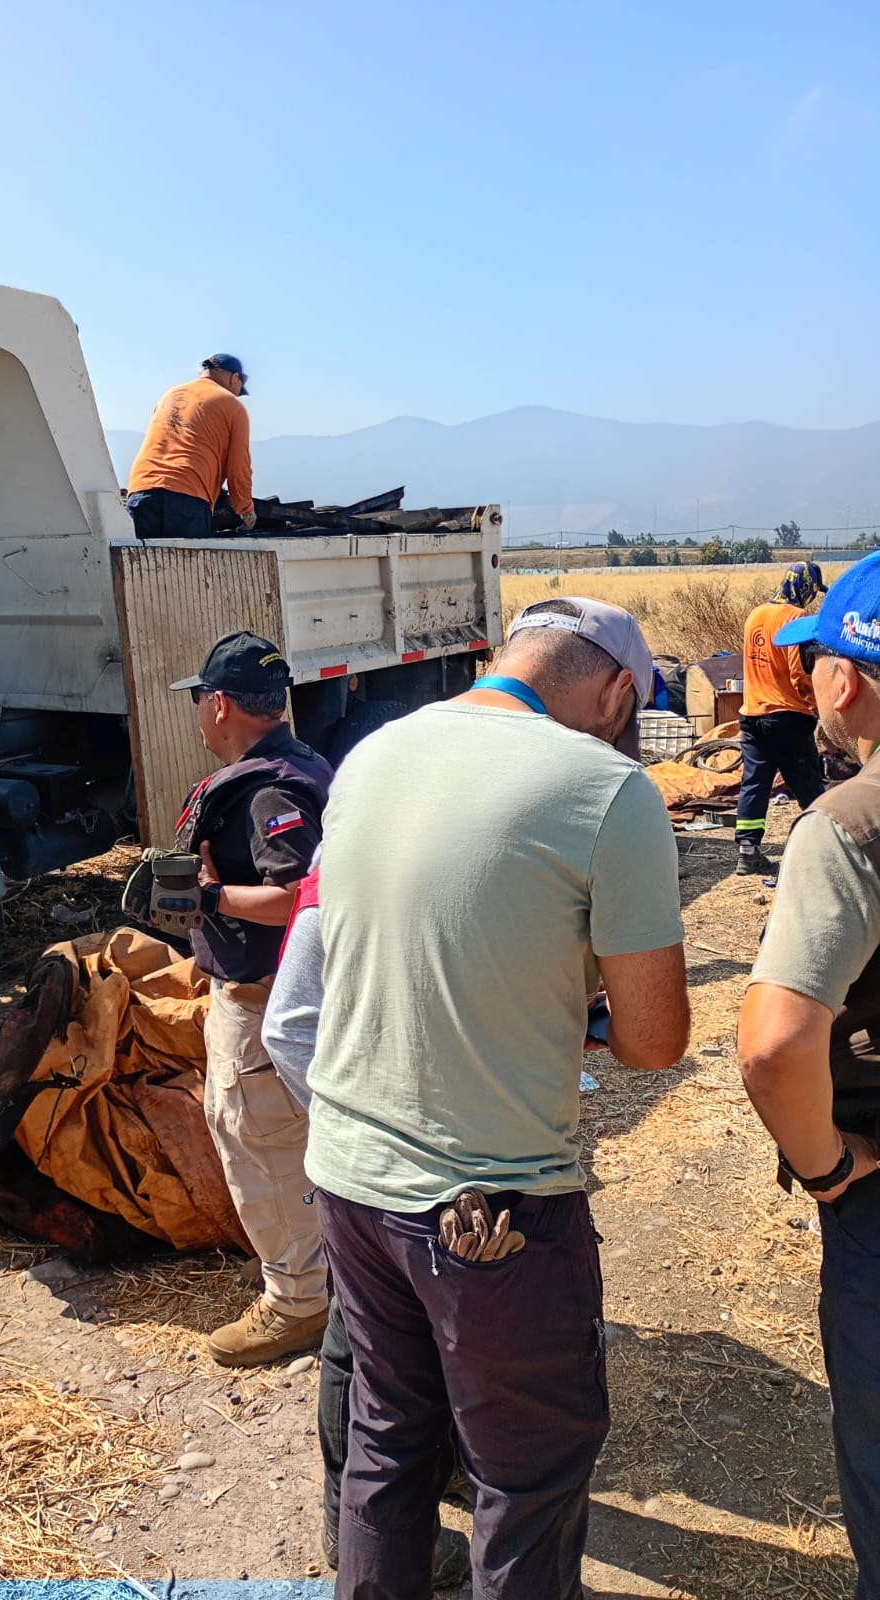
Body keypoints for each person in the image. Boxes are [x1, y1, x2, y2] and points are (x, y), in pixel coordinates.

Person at [305, 597, 690, 1600]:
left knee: (386, 1444)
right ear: (612, 690)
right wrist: (585, 999)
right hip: (490, 1205)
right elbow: (654, 1041)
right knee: (526, 1478)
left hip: (348, 1177)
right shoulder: (604, 789)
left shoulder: (372, 754)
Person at [263, 854, 472, 1591]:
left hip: (422, 1152)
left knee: (419, 1338)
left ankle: (432, 1477)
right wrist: (365, 1133)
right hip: (400, 1162)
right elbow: (288, 1028)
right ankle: (348, 1523)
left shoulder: (398, 822)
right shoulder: (362, 830)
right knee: (364, 1345)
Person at [737, 551, 880, 1600]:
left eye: (820, 656)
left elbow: (775, 1046)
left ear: (849, 676)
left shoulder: (848, 829)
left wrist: (826, 1169)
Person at [169, 630, 332, 1365]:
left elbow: (297, 893)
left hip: (268, 999)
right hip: (284, 993)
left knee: (259, 1140)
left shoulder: (269, 789)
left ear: (222, 705)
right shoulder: (301, 764)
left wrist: (211, 896)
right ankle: (326, 1274)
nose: (199, 713)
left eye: (200, 700)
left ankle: (298, 1303)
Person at [735, 561, 828, 874]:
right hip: (788, 715)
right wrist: (816, 704)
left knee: (755, 783)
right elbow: (798, 671)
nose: (812, 598)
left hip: (751, 714)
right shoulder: (795, 617)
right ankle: (826, 849)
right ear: (804, 588)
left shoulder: (755, 615)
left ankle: (748, 851)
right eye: (813, 592)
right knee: (808, 785)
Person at [126, 356, 256, 540]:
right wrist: (245, 509)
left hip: (141, 492)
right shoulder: (232, 405)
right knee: (184, 567)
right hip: (187, 498)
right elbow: (238, 467)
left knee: (142, 567)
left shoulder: (170, 395)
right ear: (235, 378)